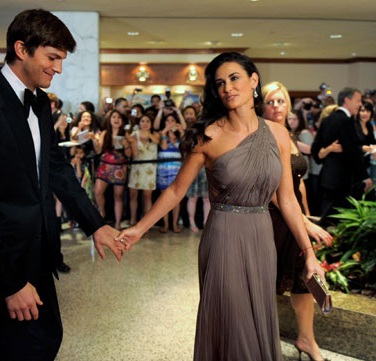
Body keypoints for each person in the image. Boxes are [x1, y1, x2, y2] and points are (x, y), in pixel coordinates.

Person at [117, 52, 325, 361]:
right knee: (233, 322)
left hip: (261, 235)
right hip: (224, 236)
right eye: (220, 83)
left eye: (234, 78)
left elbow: (286, 200)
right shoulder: (208, 136)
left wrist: (309, 253)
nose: (227, 88)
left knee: (257, 318)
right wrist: (138, 229)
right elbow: (176, 190)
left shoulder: (279, 134)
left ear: (253, 81)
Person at [0, 9, 124, 361]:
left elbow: (57, 170)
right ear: (21, 49)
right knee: (10, 352)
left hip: (39, 253)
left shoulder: (40, 102)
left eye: (61, 59)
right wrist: (9, 283)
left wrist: (95, 224)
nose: (58, 68)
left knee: (45, 341)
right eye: (52, 57)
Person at [262, 81, 333, 361]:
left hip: (295, 217)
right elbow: (273, 189)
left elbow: (297, 182)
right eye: (270, 101)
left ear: (288, 105)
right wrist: (303, 221)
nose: (276, 106)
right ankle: (262, 346)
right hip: (272, 219)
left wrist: (306, 214)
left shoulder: (287, 134)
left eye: (280, 101)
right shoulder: (261, 135)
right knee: (267, 283)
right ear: (261, 105)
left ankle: (307, 340)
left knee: (305, 282)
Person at [311, 88, 372, 224]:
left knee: (327, 219)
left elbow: (315, 151)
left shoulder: (327, 120)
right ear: (346, 100)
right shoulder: (345, 121)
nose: (360, 104)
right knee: (334, 222)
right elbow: (353, 152)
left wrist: (328, 150)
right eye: (358, 100)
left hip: (327, 178)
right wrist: (365, 176)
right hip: (341, 181)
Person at [94, 110, 132, 229]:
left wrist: (126, 144)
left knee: (118, 196)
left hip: (120, 168)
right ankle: (102, 213)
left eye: (119, 118)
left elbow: (129, 154)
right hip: (105, 166)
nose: (116, 119)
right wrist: (95, 140)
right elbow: (98, 151)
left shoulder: (125, 134)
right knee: (98, 192)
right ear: (109, 120)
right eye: (114, 117)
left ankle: (118, 223)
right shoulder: (105, 133)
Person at [126, 115, 160, 226]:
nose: (145, 123)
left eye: (147, 121)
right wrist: (134, 140)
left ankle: (146, 223)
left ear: (151, 123)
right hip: (136, 168)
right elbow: (133, 153)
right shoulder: (134, 134)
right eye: (142, 121)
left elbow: (156, 141)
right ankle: (133, 219)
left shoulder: (155, 134)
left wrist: (147, 134)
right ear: (139, 123)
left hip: (150, 169)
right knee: (133, 195)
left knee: (147, 196)